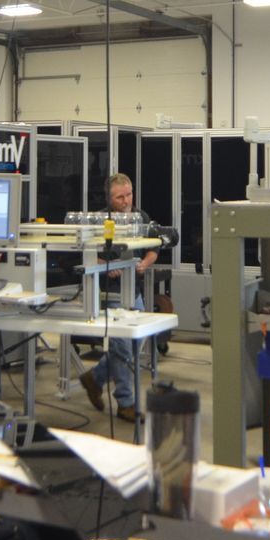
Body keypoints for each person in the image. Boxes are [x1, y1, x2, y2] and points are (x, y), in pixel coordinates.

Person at [79, 173, 161, 423]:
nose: (126, 201)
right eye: (120, 197)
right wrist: (107, 263)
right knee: (123, 346)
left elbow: (154, 248)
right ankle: (126, 402)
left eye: (129, 194)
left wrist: (144, 263)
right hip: (108, 292)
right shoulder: (99, 220)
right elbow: (86, 253)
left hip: (132, 291)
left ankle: (95, 377)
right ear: (109, 197)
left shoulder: (141, 217)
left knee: (136, 342)